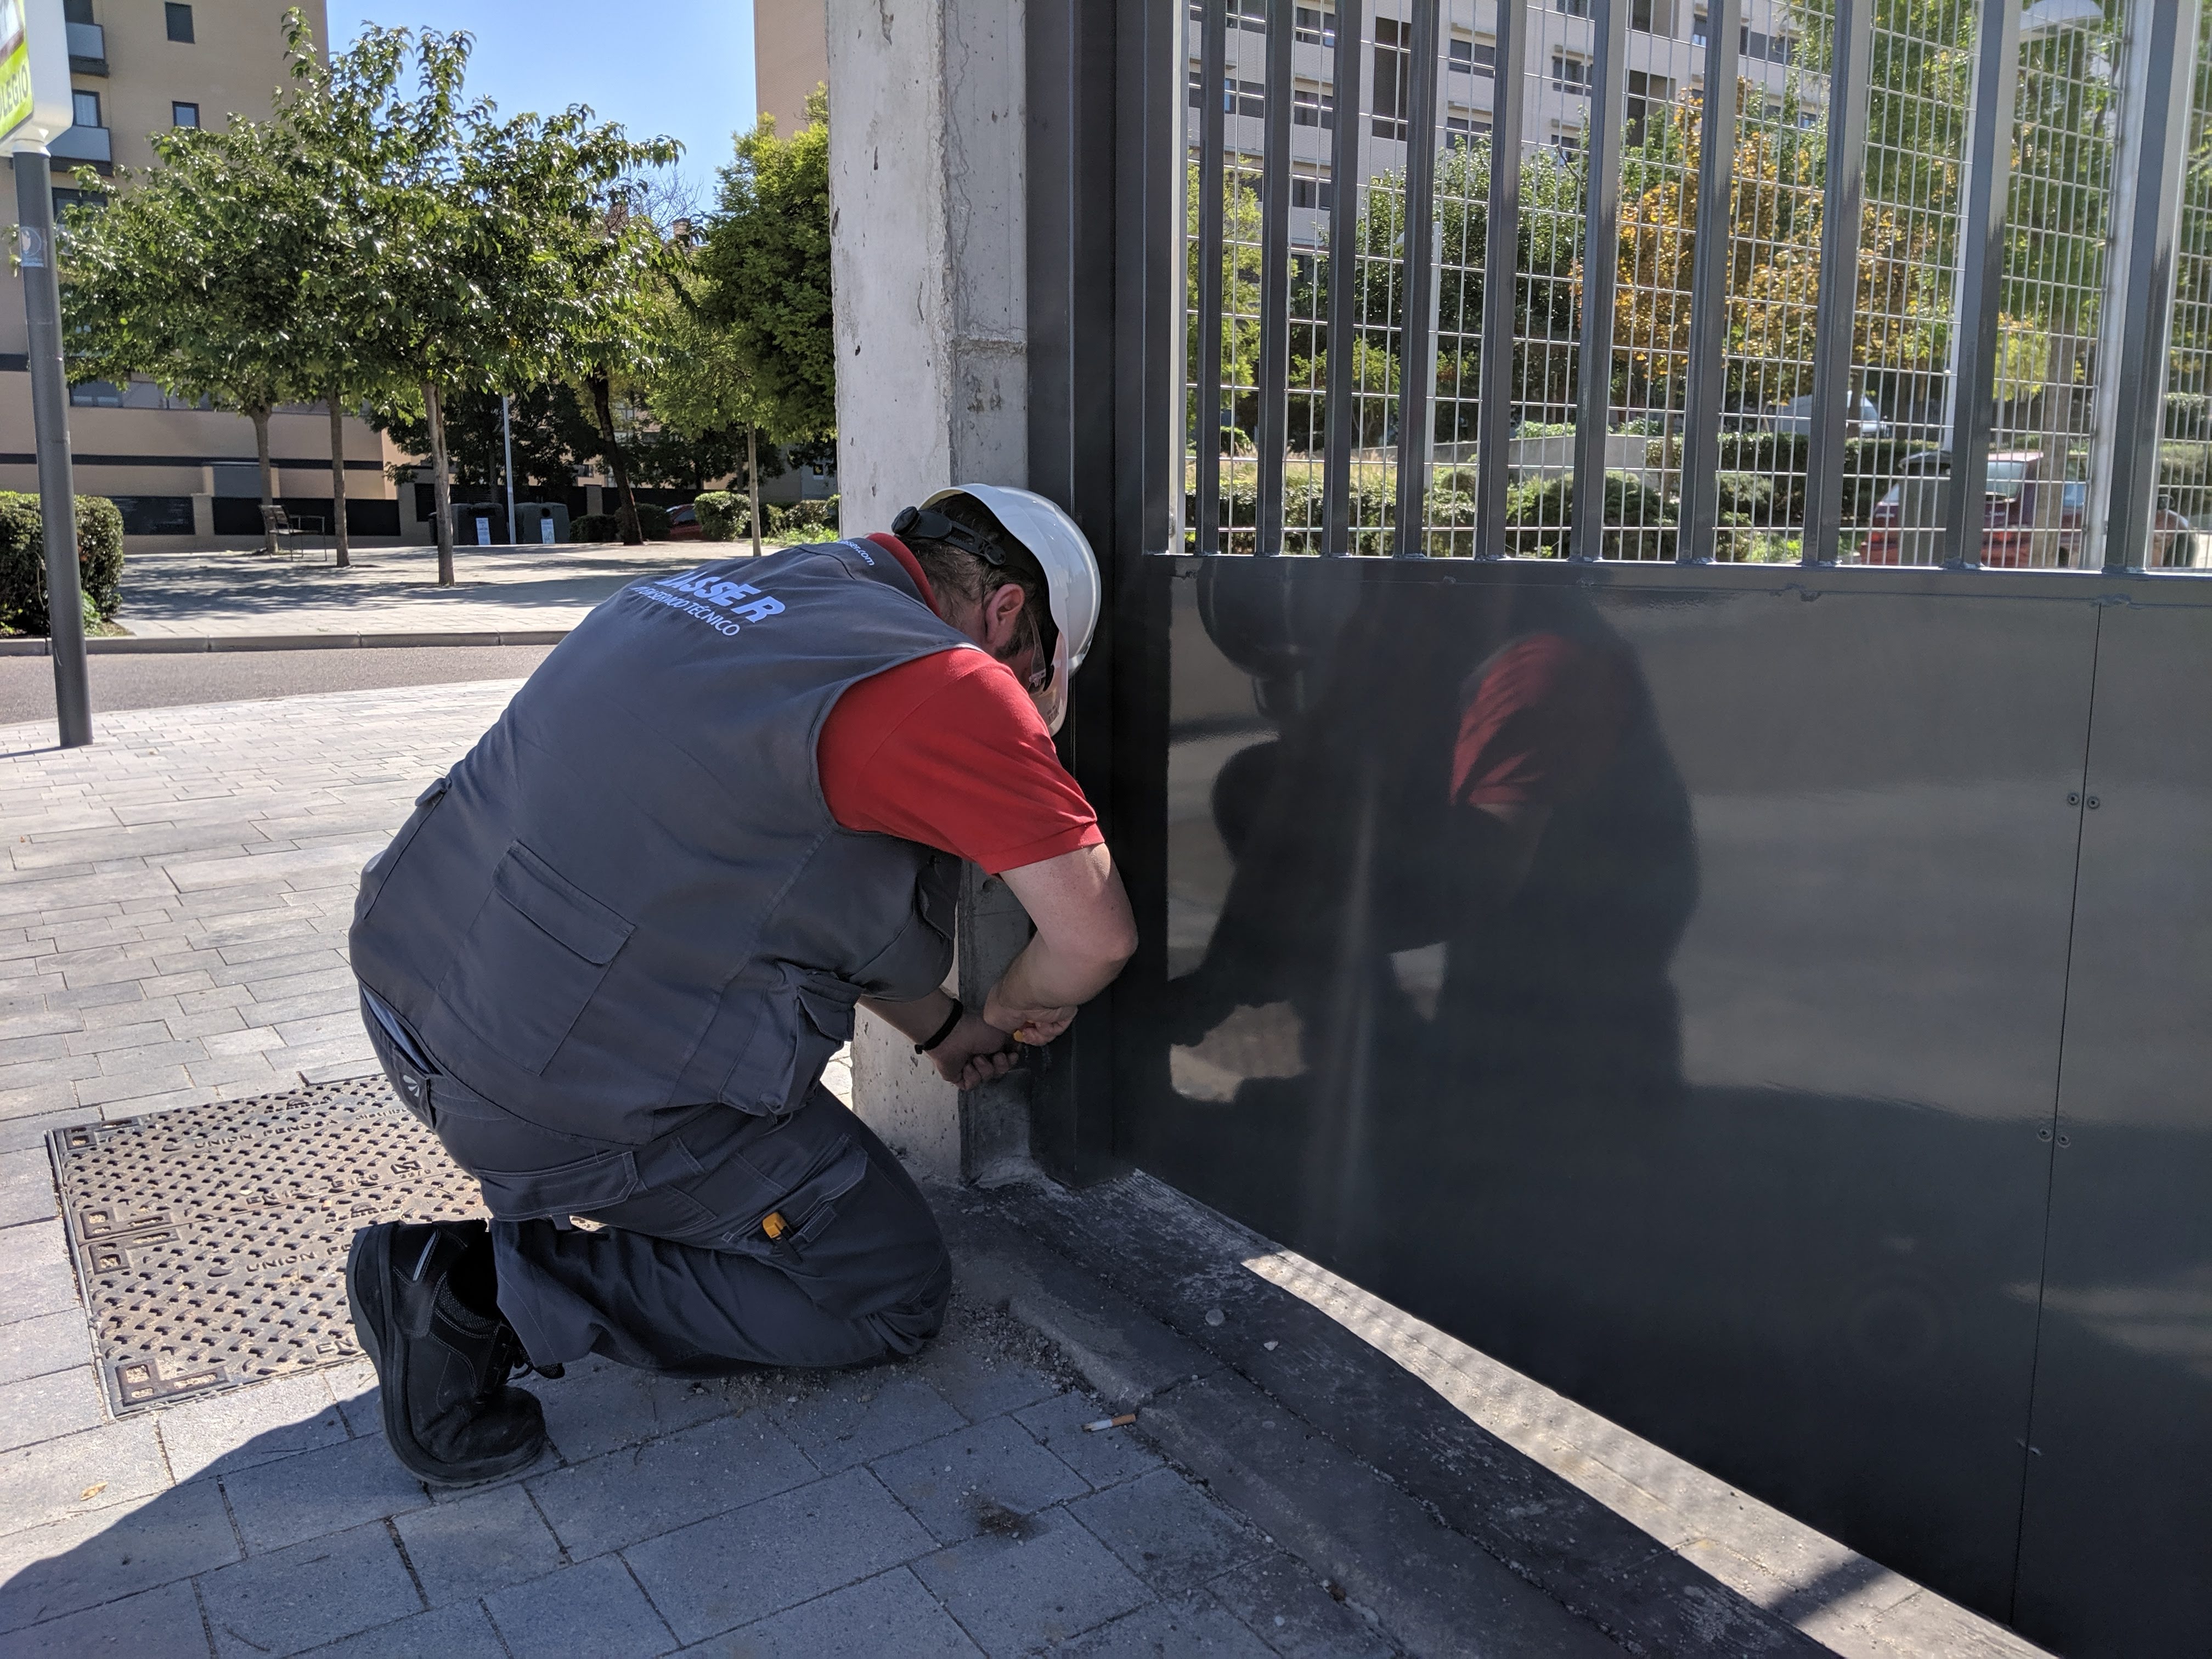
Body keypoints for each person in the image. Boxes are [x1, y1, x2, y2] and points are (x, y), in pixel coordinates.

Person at [342, 486, 1136, 1486]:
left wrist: (943, 1031)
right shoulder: (950, 682)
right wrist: (1021, 1003)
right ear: (1009, 611)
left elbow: (783, 881)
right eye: (1037, 669)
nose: (1026, 688)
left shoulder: (711, 594)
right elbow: (1093, 936)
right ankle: (474, 1293)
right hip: (542, 1089)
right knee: (886, 1290)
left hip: (410, 997)